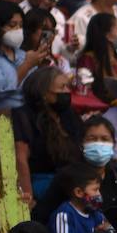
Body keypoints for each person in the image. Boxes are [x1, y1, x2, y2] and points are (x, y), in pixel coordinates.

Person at [17, 66, 83, 203]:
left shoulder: (68, 115)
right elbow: (20, 159)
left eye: (67, 87)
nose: (67, 92)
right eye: (62, 87)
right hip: (42, 188)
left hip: (73, 184)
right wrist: (28, 196)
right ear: (44, 92)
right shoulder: (25, 115)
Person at [48, 161, 106, 233]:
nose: (99, 194)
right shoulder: (64, 215)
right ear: (78, 192)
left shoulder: (96, 213)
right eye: (95, 189)